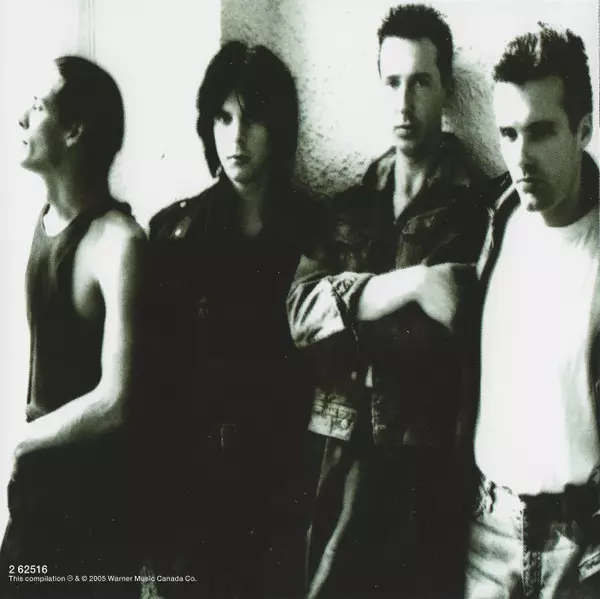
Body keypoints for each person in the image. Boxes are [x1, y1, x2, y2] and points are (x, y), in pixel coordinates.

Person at [286, 4, 490, 598]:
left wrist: (348, 311)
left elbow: (444, 333)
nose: (404, 103)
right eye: (393, 82)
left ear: (446, 89)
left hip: (422, 470)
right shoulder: (350, 206)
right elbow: (299, 314)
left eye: (421, 82)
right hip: (336, 456)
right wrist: (413, 285)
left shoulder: (477, 212)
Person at [148, 41, 315, 599]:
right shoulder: (173, 236)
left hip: (282, 497)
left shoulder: (315, 230)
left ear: (279, 127)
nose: (237, 137)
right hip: (193, 500)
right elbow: (156, 387)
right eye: (223, 118)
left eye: (253, 118)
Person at [0, 56, 146, 599]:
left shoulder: (119, 242)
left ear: (74, 131)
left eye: (37, 107)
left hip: (90, 513)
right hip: (36, 499)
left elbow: (116, 401)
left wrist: (23, 441)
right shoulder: (43, 222)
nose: (21, 118)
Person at [463, 23, 600, 598]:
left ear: (584, 129)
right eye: (508, 133)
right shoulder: (491, 219)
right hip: (486, 534)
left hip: (582, 547)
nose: (521, 157)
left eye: (541, 132)